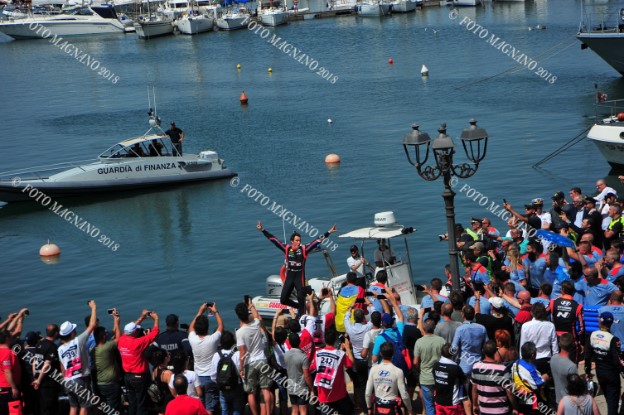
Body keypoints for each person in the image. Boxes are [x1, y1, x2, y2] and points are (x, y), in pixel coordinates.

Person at [258, 221, 336, 316]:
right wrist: (263, 230)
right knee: (283, 300)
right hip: (290, 276)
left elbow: (317, 241)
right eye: (297, 240)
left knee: (301, 297)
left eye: (299, 240)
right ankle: (299, 306)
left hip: (299, 277)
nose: (299, 242)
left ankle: (302, 316)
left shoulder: (304, 249)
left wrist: (329, 232)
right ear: (292, 241)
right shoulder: (287, 249)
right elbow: (274, 240)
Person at [56, 301, 97, 415]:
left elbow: (63, 369)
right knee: (84, 407)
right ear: (72, 332)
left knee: (73, 407)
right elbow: (92, 325)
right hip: (80, 379)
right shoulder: (78, 341)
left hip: (68, 380)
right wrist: (93, 308)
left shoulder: (60, 349)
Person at [118, 309, 160, 415]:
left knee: (132, 404)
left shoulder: (121, 340)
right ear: (135, 332)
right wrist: (156, 319)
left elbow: (131, 329)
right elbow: (154, 334)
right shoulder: (137, 343)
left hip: (127, 377)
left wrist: (141, 318)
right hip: (139, 378)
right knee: (142, 404)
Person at [235, 300, 272, 415]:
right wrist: (252, 306)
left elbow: (242, 352)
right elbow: (257, 317)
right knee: (265, 389)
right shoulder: (256, 324)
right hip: (262, 359)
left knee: (251, 392)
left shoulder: (240, 332)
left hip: (249, 363)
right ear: (247, 313)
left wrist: (241, 368)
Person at [584, 312, 624, 415]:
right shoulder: (613, 339)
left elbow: (587, 356)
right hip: (612, 375)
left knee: (608, 399)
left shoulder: (592, 335)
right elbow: (617, 361)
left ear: (600, 321)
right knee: (612, 404)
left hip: (600, 374)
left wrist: (587, 371)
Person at [188, 302, 223, 413]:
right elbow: (221, 326)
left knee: (200, 407)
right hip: (211, 377)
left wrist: (200, 311)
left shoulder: (193, 339)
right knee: (210, 408)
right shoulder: (212, 340)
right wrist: (215, 311)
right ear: (207, 328)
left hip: (197, 377)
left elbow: (191, 328)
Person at [310, 328, 355, 415]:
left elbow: (315, 367)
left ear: (324, 339)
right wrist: (347, 348)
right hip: (339, 394)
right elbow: (350, 362)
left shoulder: (318, 354)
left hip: (323, 394)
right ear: (335, 340)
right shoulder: (340, 355)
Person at [365, 342, 414, 415]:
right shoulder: (398, 371)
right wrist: (410, 409)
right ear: (393, 354)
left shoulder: (373, 369)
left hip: (378, 407)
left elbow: (368, 393)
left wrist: (369, 407)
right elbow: (404, 394)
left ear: (381, 354)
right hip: (392, 407)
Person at [472, 340, 518, 415]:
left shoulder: (476, 367)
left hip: (484, 410)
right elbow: (509, 392)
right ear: (495, 351)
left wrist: (475, 405)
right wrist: (515, 407)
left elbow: (474, 389)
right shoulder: (502, 369)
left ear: (483, 351)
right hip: (501, 410)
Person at [92, 308, 122, 412]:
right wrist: (117, 323)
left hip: (100, 383)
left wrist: (115, 321)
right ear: (104, 336)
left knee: (106, 407)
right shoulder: (107, 347)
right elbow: (118, 338)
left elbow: (113, 334)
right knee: (114, 408)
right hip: (111, 384)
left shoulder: (93, 350)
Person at [413, 319, 445, 415]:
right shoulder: (441, 340)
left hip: (425, 378)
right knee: (440, 404)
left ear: (423, 328)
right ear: (434, 327)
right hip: (440, 377)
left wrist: (419, 368)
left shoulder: (419, 342)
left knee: (429, 405)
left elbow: (415, 361)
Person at [210, 331, 243, 415]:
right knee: (237, 409)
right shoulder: (237, 354)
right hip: (236, 386)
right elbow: (241, 372)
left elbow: (213, 375)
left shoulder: (216, 355)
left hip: (222, 387)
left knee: (224, 410)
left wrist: (220, 382)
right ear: (233, 343)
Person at [511, 342, 548, 415]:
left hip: (519, 397)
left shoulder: (516, 363)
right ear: (533, 354)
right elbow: (536, 384)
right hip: (530, 401)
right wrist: (545, 378)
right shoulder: (530, 369)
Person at [452, 304, 488, 376]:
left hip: (464, 364)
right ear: (474, 315)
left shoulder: (460, 329)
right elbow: (487, 345)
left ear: (463, 315)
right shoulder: (482, 328)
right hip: (478, 363)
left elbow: (454, 348)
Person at [284, 332, 314, 415]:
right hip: (302, 388)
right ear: (299, 341)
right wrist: (311, 389)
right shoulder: (303, 357)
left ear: (289, 342)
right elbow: (307, 376)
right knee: (303, 411)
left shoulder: (286, 355)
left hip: (291, 387)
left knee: (294, 410)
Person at [433, 343, 467, 415]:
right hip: (452, 404)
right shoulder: (455, 368)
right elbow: (464, 380)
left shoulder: (435, 365)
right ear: (452, 353)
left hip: (438, 402)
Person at [550, 334, 578, 403]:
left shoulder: (553, 359)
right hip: (569, 402)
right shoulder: (571, 366)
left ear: (559, 344)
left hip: (558, 400)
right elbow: (575, 388)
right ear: (572, 346)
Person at [0, 330, 20, 415]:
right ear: (7, 339)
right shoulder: (6, 352)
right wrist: (13, 387)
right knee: (13, 411)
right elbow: (7, 371)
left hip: (2, 387)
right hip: (7, 388)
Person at [152, 349, 174, 414]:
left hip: (160, 399)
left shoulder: (155, 370)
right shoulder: (168, 373)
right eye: (168, 354)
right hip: (167, 400)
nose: (170, 356)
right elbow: (173, 391)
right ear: (165, 358)